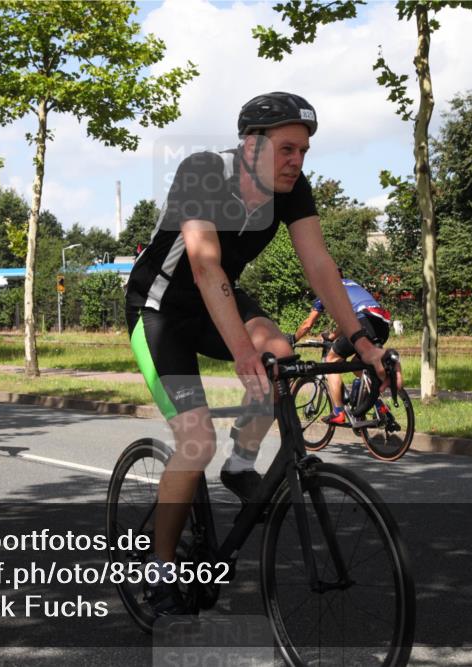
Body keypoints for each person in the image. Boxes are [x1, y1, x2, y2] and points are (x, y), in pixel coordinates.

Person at [124, 92, 403, 615]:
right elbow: (205, 264)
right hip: (159, 310)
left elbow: (320, 264)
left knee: (279, 348)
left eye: (305, 151)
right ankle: (159, 571)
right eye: (287, 149)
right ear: (251, 146)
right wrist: (239, 353)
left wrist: (363, 343)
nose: (298, 162)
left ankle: (242, 462)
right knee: (194, 439)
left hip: (219, 301)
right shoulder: (204, 171)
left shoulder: (292, 190)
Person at [293, 269, 392, 424]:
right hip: (382, 325)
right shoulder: (351, 284)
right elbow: (348, 320)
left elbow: (307, 324)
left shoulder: (327, 290)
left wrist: (292, 339)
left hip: (363, 323)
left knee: (331, 360)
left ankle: (338, 412)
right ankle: (379, 405)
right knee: (357, 366)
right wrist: (332, 336)